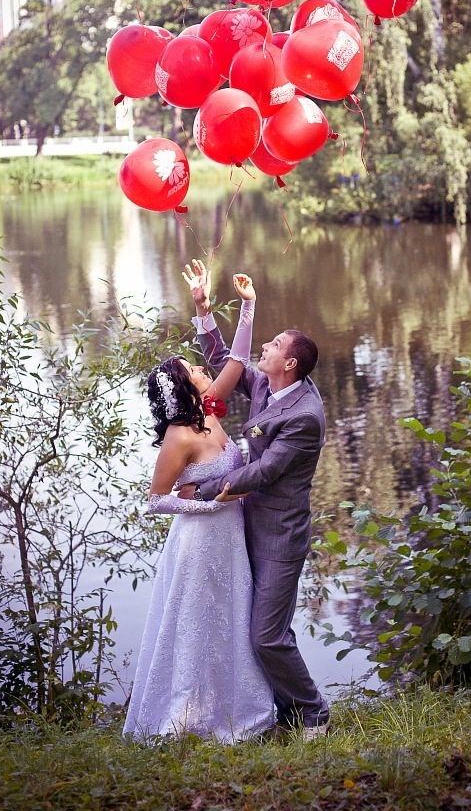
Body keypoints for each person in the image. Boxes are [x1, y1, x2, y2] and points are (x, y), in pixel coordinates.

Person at [178, 258, 330, 741]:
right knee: (258, 631)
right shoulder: (268, 381)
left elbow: (263, 471)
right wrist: (203, 307)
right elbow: (226, 361)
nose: (265, 345)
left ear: (290, 364)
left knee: (266, 635)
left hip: (280, 537)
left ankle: (314, 713)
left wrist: (200, 488)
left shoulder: (304, 416)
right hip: (245, 526)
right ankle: (282, 712)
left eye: (275, 345)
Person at [123, 273, 275, 743]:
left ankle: (235, 709)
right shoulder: (179, 436)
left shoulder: (210, 408)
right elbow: (155, 500)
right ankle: (185, 717)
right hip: (199, 542)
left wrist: (244, 305)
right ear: (184, 386)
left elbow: (238, 359)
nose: (202, 369)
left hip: (231, 538)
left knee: (232, 620)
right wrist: (210, 505)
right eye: (194, 369)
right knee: (198, 623)